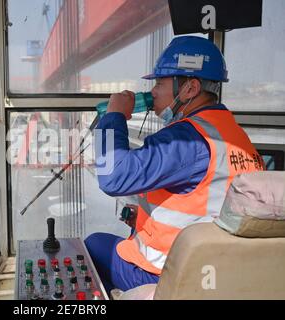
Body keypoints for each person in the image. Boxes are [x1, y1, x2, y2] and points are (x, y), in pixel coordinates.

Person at [85, 36, 265, 294]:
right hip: (221, 270)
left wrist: (114, 116)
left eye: (159, 82)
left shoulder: (185, 138)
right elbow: (208, 199)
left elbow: (113, 177)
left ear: (190, 88)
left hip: (178, 276)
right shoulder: (234, 134)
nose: (153, 91)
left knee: (94, 245)